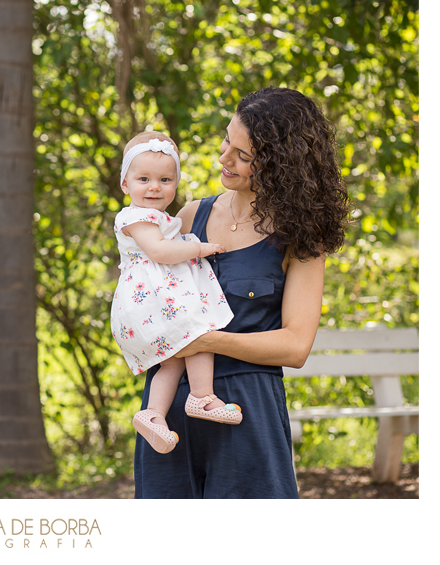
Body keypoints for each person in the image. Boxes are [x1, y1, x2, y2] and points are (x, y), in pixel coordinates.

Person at [133, 87, 349, 499]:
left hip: (246, 412)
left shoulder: (301, 237)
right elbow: (145, 292)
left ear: (278, 166)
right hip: (168, 412)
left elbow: (295, 345)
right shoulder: (189, 215)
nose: (223, 158)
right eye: (226, 140)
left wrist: (204, 340)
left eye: (242, 155)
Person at [111, 132, 242, 456]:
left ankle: (153, 414)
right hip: (153, 301)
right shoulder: (136, 217)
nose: (154, 187)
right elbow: (158, 251)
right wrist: (198, 248)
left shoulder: (159, 217)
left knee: (171, 363)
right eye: (144, 179)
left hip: (157, 300)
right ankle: (202, 396)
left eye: (165, 179)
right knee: (198, 331)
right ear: (125, 184)